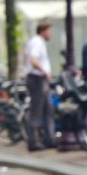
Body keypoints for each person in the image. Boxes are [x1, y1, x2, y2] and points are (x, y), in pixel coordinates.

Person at [24, 21, 56, 151]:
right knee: (36, 111)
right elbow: (33, 60)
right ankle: (33, 141)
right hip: (37, 79)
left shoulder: (38, 42)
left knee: (48, 109)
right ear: (43, 31)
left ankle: (49, 138)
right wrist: (44, 72)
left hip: (39, 79)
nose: (51, 33)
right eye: (49, 31)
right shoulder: (37, 42)